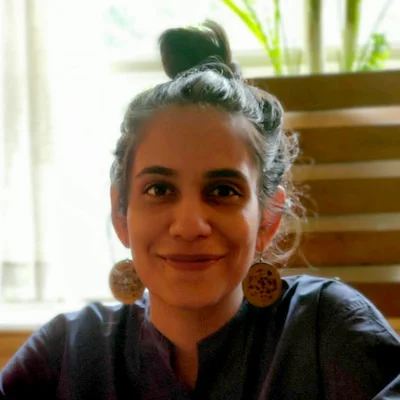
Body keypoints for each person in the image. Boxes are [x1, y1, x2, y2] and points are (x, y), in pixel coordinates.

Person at [1, 20, 399, 400]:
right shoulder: (68, 352)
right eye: (159, 189)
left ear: (268, 219)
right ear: (121, 214)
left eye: (223, 190)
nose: (189, 225)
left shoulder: (327, 331)